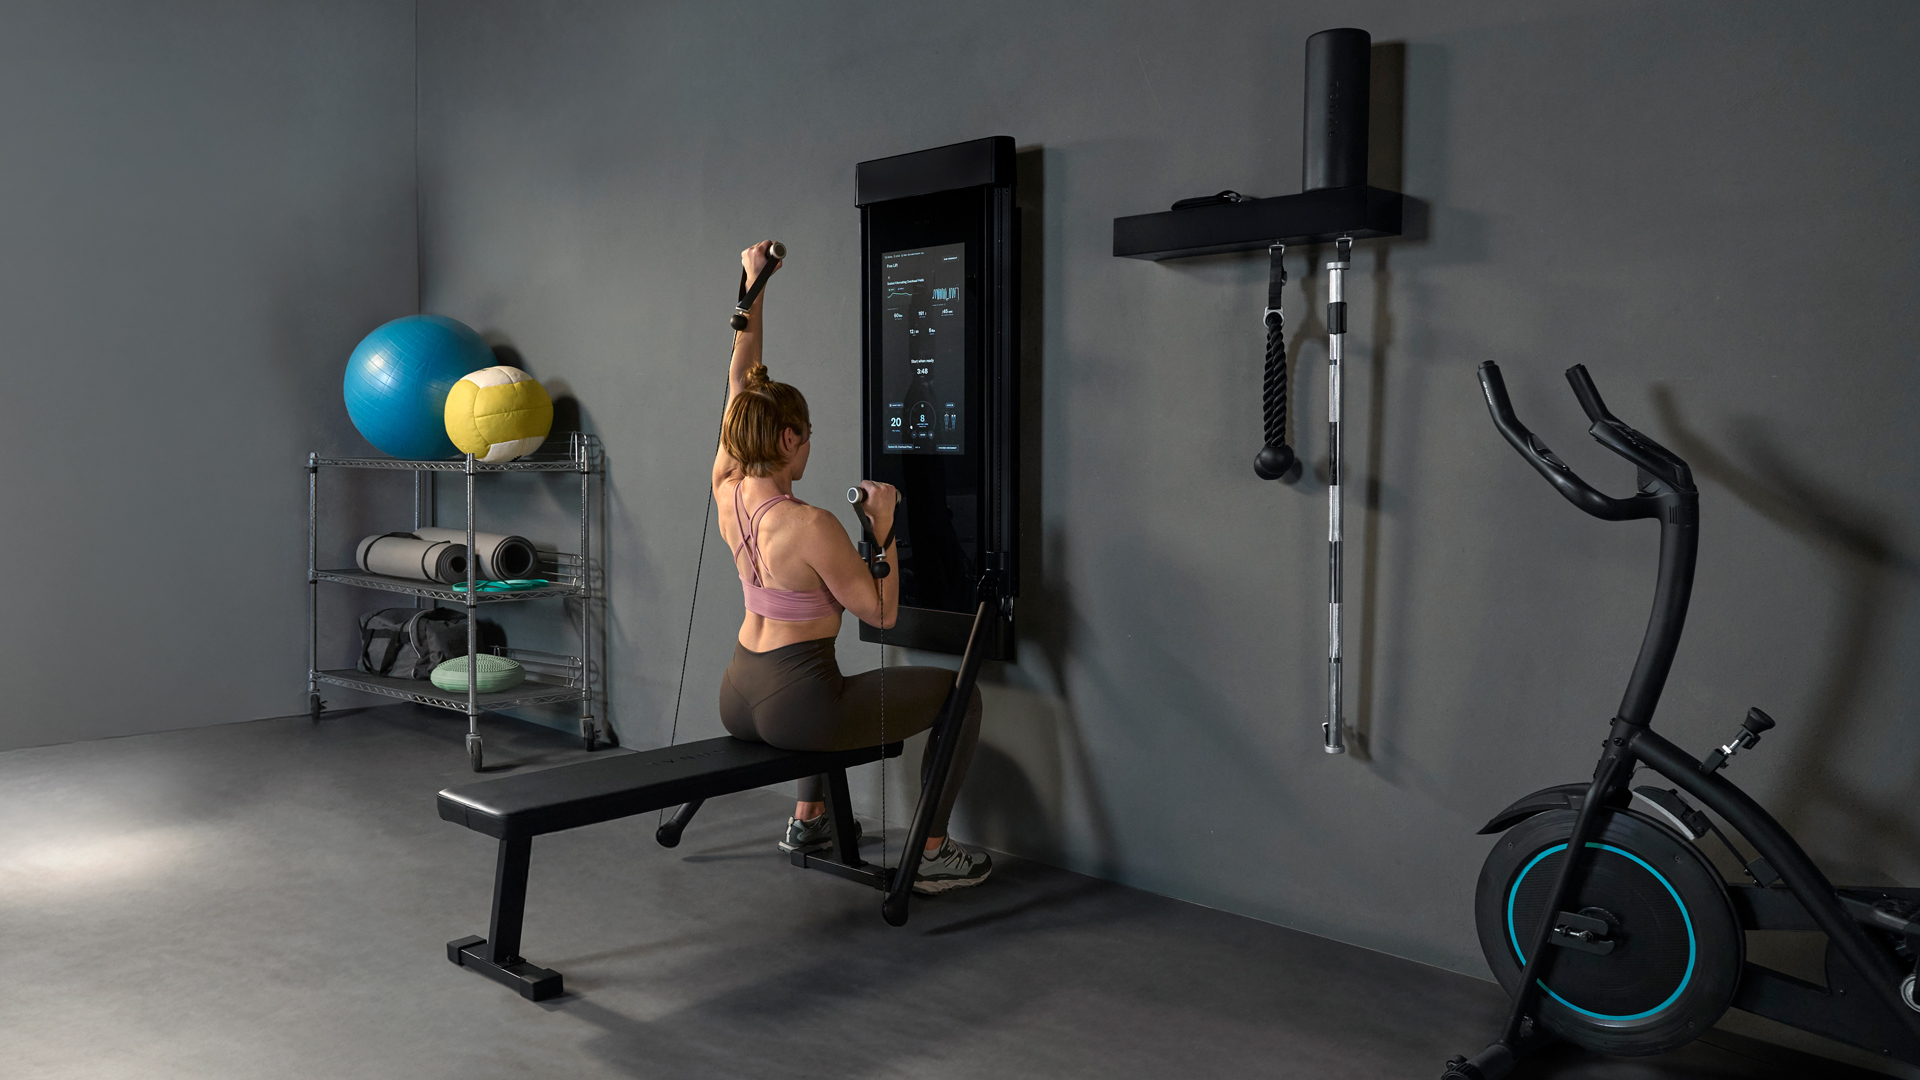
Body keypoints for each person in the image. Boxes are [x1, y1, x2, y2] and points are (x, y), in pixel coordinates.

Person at [712, 241, 990, 894]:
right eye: (807, 436)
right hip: (795, 707)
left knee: (828, 679)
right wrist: (884, 530)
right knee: (962, 697)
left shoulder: (725, 484)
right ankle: (932, 852)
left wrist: (755, 288)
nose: (810, 447)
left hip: (739, 694)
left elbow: (740, 384)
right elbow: (882, 612)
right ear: (787, 441)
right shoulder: (810, 524)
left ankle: (809, 819)